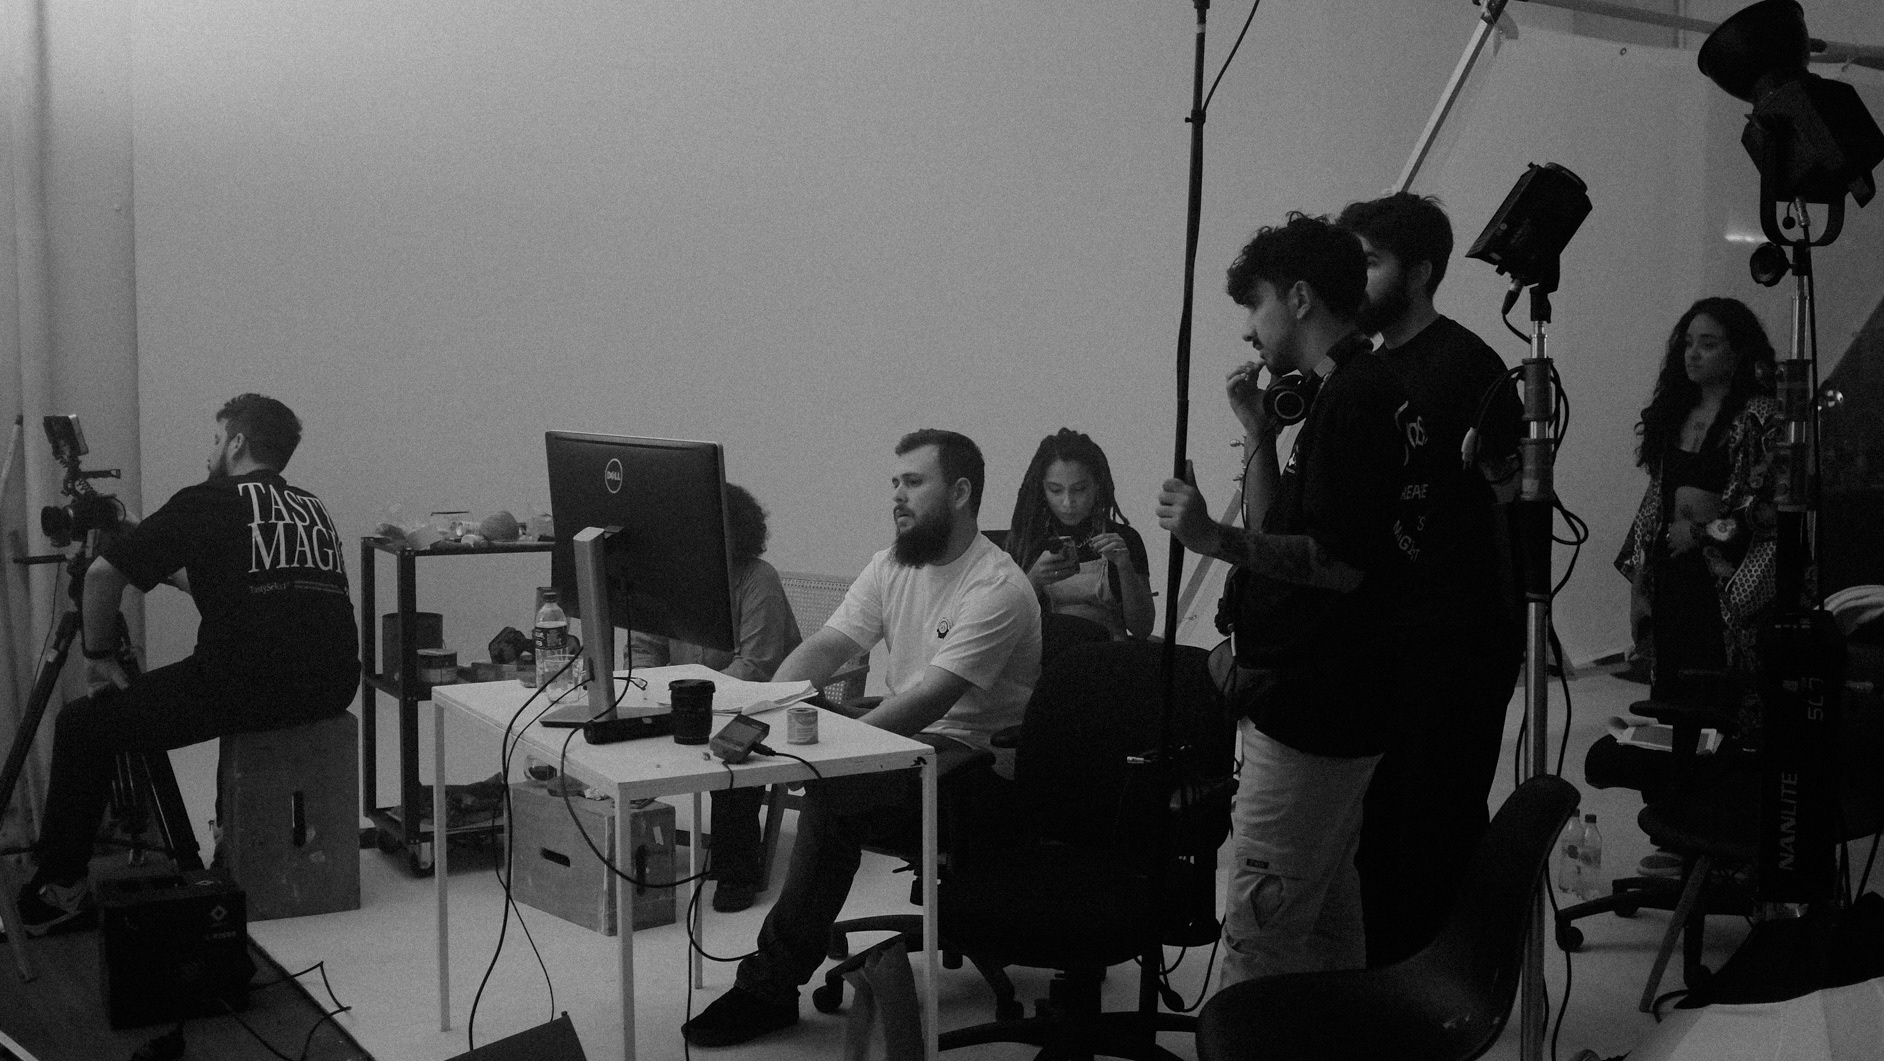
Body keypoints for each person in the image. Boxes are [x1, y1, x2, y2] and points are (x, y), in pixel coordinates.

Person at [681, 429, 1040, 1046]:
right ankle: (776, 959)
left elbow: (931, 700)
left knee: (836, 795)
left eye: (914, 482)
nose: (897, 495)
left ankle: (769, 986)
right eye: (895, 483)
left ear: (960, 493)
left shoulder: (997, 588)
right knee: (809, 731)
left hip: (973, 761)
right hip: (909, 738)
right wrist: (771, 707)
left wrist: (831, 757)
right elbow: (827, 646)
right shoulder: (892, 563)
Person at [1157, 213, 1424, 986]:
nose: (1249, 328)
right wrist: (1258, 435)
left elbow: (1336, 565)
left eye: (1256, 304)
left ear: (1299, 298)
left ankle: (1247, 1036)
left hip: (1314, 717)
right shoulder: (1348, 391)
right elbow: (1284, 527)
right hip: (1330, 710)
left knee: (1260, 936)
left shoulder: (1356, 403)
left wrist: (1212, 538)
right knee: (1328, 925)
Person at [19, 394, 359, 934]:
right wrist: (143, 541)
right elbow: (230, 584)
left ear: (237, 442)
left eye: (216, 439)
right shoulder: (309, 507)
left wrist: (97, 658)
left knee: (83, 726)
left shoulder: (207, 500)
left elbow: (102, 577)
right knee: (223, 677)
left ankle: (61, 890)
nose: (210, 452)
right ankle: (228, 840)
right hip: (331, 686)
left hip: (244, 687)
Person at [1335, 192, 1525, 967]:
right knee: (1381, 832)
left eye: (1370, 263)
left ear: (1418, 272)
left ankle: (1445, 991)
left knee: (1434, 828)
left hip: (1456, 640)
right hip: (1386, 639)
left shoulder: (1471, 368)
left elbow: (1508, 511)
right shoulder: (1366, 367)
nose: (1356, 280)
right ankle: (1390, 984)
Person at [628, 483, 801, 913]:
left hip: (758, 705)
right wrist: (656, 696)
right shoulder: (666, 578)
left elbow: (756, 666)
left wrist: (693, 705)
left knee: (733, 755)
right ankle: (628, 853)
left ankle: (736, 871)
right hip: (686, 703)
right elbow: (645, 649)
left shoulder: (758, 578)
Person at [1617, 297, 1780, 705]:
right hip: (1672, 573)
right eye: (1688, 343)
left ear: (1737, 352)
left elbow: (1767, 510)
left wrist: (1700, 533)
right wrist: (1639, 585)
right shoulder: (1675, 411)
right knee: (1674, 699)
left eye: (1708, 344)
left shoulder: (1759, 417)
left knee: (1719, 700)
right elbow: (1654, 503)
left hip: (1724, 582)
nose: (1693, 353)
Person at [1004, 428, 1155, 639]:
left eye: (1079, 489)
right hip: (1047, 651)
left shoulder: (1124, 540)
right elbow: (1005, 624)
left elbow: (1142, 628)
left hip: (1110, 653)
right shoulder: (1026, 541)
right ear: (1042, 489)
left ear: (1097, 486)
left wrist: (1125, 567)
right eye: (1055, 490)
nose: (1068, 502)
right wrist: (1033, 581)